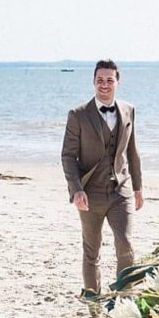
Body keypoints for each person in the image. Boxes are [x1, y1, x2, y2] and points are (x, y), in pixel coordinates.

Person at [61, 59, 144, 298]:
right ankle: (92, 298)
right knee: (92, 250)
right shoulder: (77, 115)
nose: (104, 85)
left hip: (121, 190)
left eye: (109, 80)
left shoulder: (128, 110)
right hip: (90, 193)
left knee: (125, 244)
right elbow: (67, 156)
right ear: (93, 82)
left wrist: (138, 187)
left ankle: (124, 298)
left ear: (118, 82)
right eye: (100, 80)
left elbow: (133, 152)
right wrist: (76, 189)